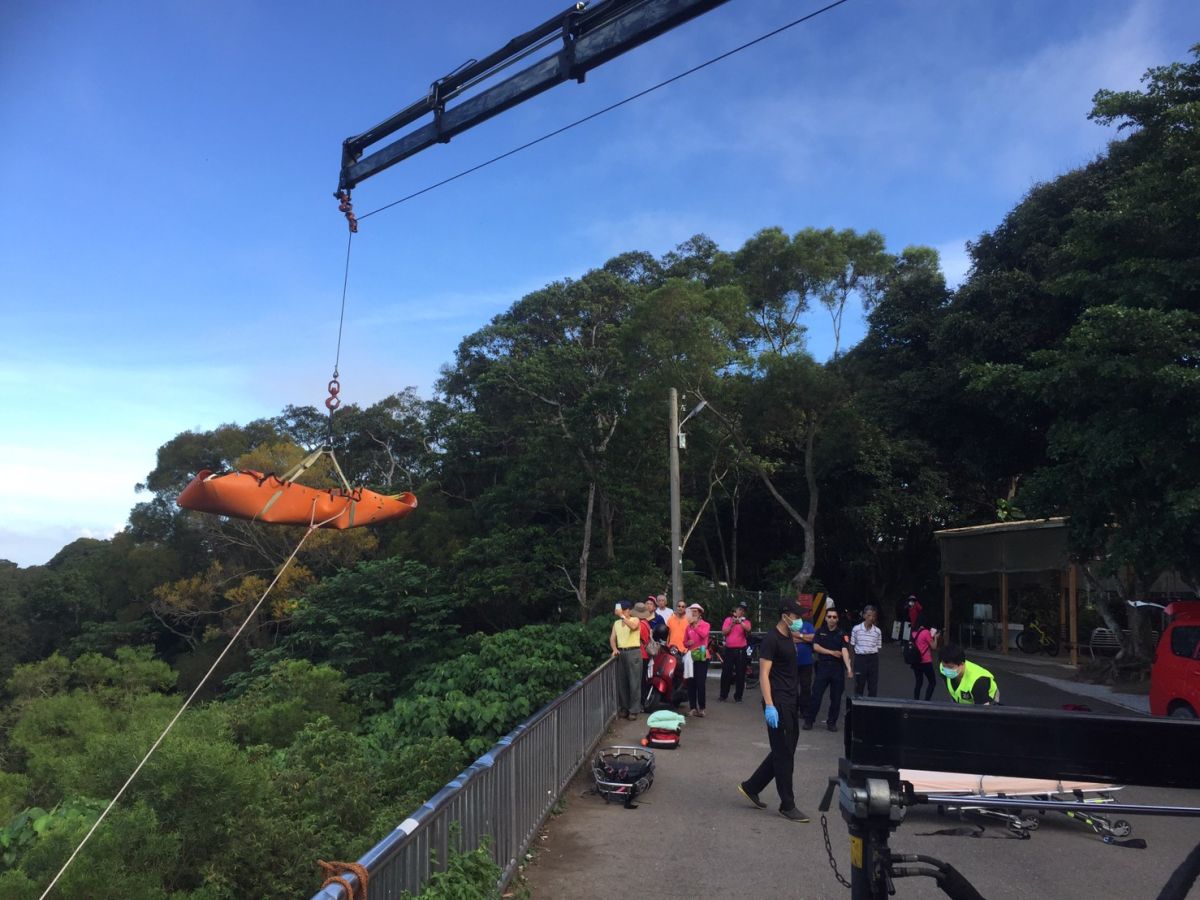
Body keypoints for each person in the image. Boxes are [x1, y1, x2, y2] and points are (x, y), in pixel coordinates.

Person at [738, 600, 810, 823]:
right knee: (784, 755)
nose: (799, 620)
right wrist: (769, 705)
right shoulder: (771, 639)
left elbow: (806, 639)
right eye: (796, 616)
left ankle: (752, 786)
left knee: (785, 750)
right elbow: (763, 675)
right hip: (777, 702)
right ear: (785, 615)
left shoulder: (789, 635)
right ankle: (787, 805)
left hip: (790, 701)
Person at [803, 606, 853, 732]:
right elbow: (815, 647)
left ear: (837, 619)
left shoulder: (842, 634)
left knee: (836, 698)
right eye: (829, 616)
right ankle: (809, 721)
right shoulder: (820, 631)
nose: (831, 619)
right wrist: (831, 652)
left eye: (834, 617)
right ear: (825, 618)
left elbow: (845, 651)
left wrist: (849, 668)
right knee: (816, 696)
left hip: (837, 669)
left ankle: (832, 722)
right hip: (823, 667)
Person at [609, 600, 643, 720]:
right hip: (622, 652)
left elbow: (633, 627)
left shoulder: (635, 619)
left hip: (633, 652)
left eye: (622, 610)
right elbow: (612, 638)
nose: (619, 612)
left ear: (628, 610)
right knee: (622, 682)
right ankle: (624, 707)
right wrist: (614, 649)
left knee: (634, 682)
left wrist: (622, 616)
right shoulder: (616, 623)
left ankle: (634, 709)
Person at [719, 602, 752, 702]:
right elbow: (724, 632)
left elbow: (749, 629)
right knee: (726, 672)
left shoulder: (746, 622)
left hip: (741, 650)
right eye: (739, 609)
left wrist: (740, 622)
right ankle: (723, 695)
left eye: (743, 610)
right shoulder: (728, 620)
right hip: (729, 650)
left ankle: (738, 696)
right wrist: (733, 624)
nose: (741, 612)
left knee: (740, 674)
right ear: (735, 610)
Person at [850, 606, 883, 698]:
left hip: (873, 658)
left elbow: (878, 647)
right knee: (859, 684)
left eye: (873, 616)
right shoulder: (856, 629)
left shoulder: (877, 631)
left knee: (873, 685)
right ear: (864, 615)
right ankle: (858, 707)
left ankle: (871, 708)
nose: (871, 618)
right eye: (868, 615)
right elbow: (852, 645)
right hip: (860, 658)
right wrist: (852, 664)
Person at [685, 603, 711, 717]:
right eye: (692, 611)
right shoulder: (687, 627)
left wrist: (695, 626)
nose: (693, 613)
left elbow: (703, 635)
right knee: (691, 683)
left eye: (695, 611)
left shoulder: (705, 624)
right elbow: (684, 641)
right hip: (691, 656)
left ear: (700, 613)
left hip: (701, 655)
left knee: (700, 683)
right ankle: (692, 707)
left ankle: (702, 708)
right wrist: (687, 643)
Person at [792, 604, 815, 715]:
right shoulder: (790, 625)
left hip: (806, 662)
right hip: (792, 662)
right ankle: (793, 709)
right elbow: (789, 639)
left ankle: (804, 709)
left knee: (806, 687)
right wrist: (805, 638)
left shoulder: (808, 625)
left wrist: (799, 636)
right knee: (792, 686)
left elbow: (813, 638)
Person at [910, 618, 940, 701]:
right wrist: (936, 637)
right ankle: (927, 701)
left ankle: (916, 700)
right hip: (925, 661)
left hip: (915, 661)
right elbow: (933, 646)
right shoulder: (926, 632)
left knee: (919, 682)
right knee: (932, 682)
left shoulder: (913, 633)